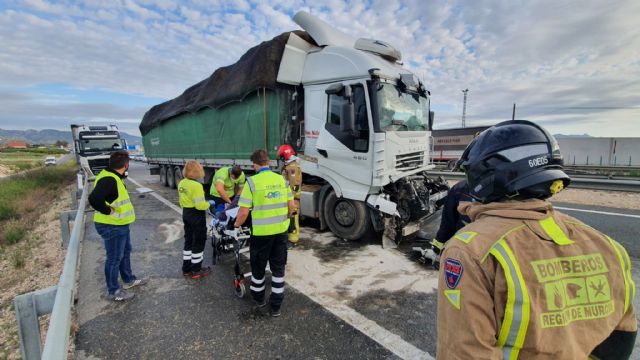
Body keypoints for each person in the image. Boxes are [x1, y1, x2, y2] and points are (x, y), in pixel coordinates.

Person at [436, 120, 637, 359]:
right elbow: (621, 338)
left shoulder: (470, 250)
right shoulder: (606, 245)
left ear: (487, 175)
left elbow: (463, 352)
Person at [234, 149, 294, 317]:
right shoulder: (282, 180)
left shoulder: (251, 182)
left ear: (255, 164)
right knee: (278, 269)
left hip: (261, 234)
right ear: (268, 162)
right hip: (281, 232)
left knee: (258, 268)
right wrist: (284, 220)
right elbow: (292, 207)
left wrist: (237, 226)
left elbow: (244, 212)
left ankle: (259, 299)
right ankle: (276, 306)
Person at [89, 150, 147, 302]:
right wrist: (108, 211)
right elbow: (94, 199)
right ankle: (113, 291)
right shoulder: (109, 179)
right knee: (114, 258)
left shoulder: (112, 176)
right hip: (111, 225)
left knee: (125, 252)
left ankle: (128, 280)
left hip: (119, 224)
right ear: (126, 165)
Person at [422, 180, 473, 269]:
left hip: (463, 252)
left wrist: (437, 250)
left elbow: (448, 224)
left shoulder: (460, 188)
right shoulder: (503, 190)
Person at [178, 160, 211, 279]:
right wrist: (209, 204)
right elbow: (200, 205)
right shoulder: (197, 185)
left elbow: (181, 201)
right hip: (196, 215)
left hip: (186, 213)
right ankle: (196, 270)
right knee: (198, 241)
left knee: (189, 240)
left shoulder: (182, 183)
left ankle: (186, 269)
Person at [277, 144, 302, 248]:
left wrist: (294, 197)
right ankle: (290, 237)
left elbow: (295, 184)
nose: (281, 159)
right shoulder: (290, 165)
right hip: (289, 197)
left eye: (282, 157)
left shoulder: (292, 167)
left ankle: (293, 240)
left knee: (293, 218)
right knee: (290, 217)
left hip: (292, 198)